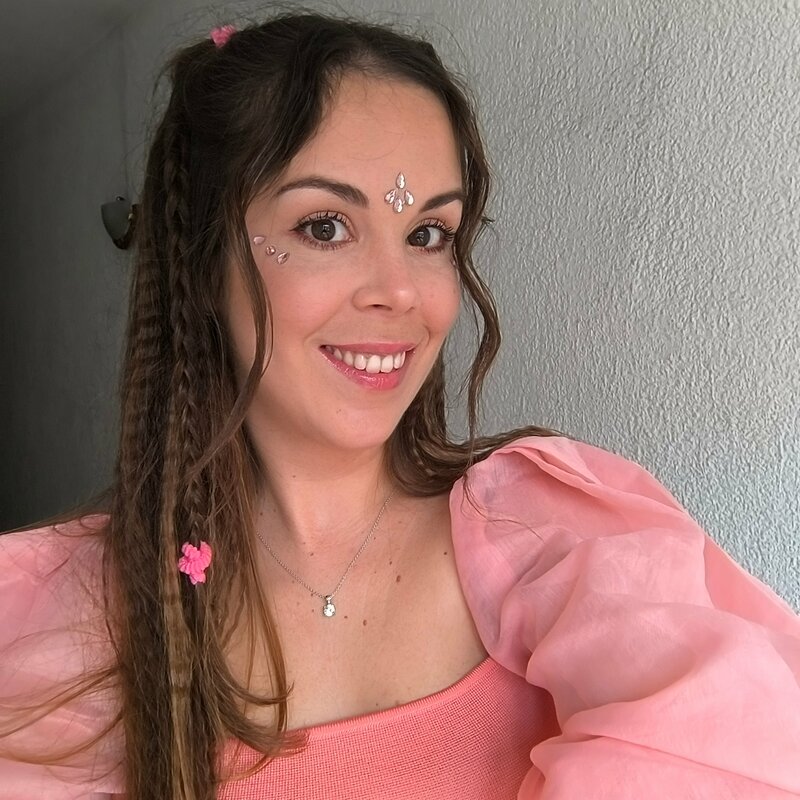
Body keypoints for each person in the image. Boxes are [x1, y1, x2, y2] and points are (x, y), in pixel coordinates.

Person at [1, 12, 799, 800]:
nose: (400, 292)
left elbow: (739, 737)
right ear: (205, 261)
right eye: (325, 226)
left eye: (428, 234)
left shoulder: (546, 532)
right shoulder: (80, 613)